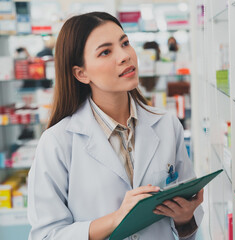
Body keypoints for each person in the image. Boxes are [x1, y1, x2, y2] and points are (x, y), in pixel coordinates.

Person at [27, 12, 203, 240]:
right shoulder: (57, 142)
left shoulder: (167, 124)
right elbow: (46, 236)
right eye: (106, 52)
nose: (124, 56)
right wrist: (116, 219)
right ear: (81, 73)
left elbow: (189, 226)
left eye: (125, 43)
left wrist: (185, 219)